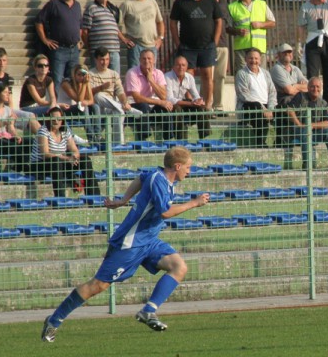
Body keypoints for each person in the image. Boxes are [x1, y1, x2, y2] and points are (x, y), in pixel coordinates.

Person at [40, 146, 211, 341]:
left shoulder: (158, 176)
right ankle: (54, 320)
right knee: (99, 285)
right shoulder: (160, 181)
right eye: (188, 167)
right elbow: (165, 212)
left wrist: (124, 200)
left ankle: (148, 310)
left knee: (179, 266)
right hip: (130, 242)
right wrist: (194, 203)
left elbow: (140, 178)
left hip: (149, 240)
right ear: (177, 166)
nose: (189, 171)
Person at [169, 0, 223, 110]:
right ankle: (189, 104)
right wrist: (177, 43)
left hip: (207, 46)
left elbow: (219, 21)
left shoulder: (210, 1)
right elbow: (173, 23)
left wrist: (215, 42)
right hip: (187, 47)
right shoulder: (180, 2)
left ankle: (208, 105)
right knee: (187, 75)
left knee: (207, 75)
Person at [29, 107, 100, 197]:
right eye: (53, 119)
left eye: (59, 119)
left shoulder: (65, 131)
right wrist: (66, 158)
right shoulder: (43, 131)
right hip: (40, 165)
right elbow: (45, 154)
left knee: (85, 160)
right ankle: (60, 197)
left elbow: (75, 150)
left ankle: (94, 196)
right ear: (48, 119)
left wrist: (74, 157)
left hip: (59, 163)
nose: (56, 121)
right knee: (56, 161)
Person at [35, 0, 83, 85]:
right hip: (59, 49)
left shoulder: (77, 5)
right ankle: (54, 101)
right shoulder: (54, 4)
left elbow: (80, 25)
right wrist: (45, 40)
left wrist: (79, 40)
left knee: (74, 80)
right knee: (57, 80)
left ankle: (72, 102)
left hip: (74, 50)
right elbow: (39, 21)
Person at [286, 76, 328, 167]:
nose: (315, 89)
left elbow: (326, 123)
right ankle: (308, 164)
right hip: (298, 131)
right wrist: (299, 124)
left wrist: (311, 125)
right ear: (308, 87)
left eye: (318, 87)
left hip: (315, 133)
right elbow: (289, 110)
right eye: (312, 86)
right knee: (306, 131)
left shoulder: (323, 103)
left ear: (321, 88)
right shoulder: (300, 96)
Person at [90, 46, 141, 144]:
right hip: (98, 106)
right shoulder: (91, 73)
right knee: (98, 95)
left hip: (111, 105)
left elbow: (120, 91)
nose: (105, 62)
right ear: (96, 59)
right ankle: (128, 109)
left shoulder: (114, 74)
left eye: (107, 59)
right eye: (102, 60)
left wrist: (124, 102)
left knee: (120, 111)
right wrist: (101, 87)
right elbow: (90, 93)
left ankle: (118, 144)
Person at [0, 83, 37, 172]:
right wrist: (3, 122)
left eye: (9, 92)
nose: (8, 95)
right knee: (14, 147)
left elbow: (11, 127)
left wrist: (15, 135)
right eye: (5, 92)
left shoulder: (8, 109)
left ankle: (19, 166)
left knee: (31, 141)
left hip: (6, 137)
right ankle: (25, 169)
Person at [227, 0, 276, 69]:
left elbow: (272, 22)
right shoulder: (231, 7)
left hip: (259, 47)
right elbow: (227, 28)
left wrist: (261, 25)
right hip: (241, 48)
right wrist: (237, 31)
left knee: (260, 74)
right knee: (242, 74)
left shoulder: (262, 4)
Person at [119, 0, 165, 70]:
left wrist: (160, 38)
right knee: (135, 73)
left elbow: (160, 22)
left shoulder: (152, 2)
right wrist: (124, 39)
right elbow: (114, 24)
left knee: (151, 73)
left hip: (152, 45)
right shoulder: (127, 4)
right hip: (136, 46)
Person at [125, 48, 171, 141]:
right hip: (132, 106)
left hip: (150, 105)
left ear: (154, 60)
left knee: (165, 108)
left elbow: (163, 96)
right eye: (144, 59)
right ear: (139, 60)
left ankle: (167, 139)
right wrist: (159, 102)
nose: (146, 61)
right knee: (144, 106)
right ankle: (145, 137)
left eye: (149, 58)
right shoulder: (132, 73)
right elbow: (137, 98)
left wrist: (151, 80)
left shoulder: (158, 73)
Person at [235, 48, 278, 147]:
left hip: (267, 107)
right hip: (250, 107)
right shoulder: (241, 74)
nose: (253, 61)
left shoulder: (266, 73)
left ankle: (280, 142)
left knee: (283, 110)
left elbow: (272, 92)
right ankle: (260, 143)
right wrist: (262, 108)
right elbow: (243, 95)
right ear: (245, 59)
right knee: (256, 106)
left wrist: (270, 109)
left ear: (260, 60)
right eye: (251, 58)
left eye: (256, 58)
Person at [203, 0, 233, 112]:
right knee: (208, 77)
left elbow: (227, 25)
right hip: (207, 46)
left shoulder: (224, 4)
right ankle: (206, 105)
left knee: (220, 76)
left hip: (222, 45)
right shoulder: (202, 3)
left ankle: (218, 106)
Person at [81, 0, 124, 73]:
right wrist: (90, 48)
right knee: (98, 78)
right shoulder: (91, 8)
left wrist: (124, 39)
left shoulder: (113, 9)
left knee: (115, 79)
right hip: (99, 52)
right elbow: (84, 32)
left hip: (114, 51)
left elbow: (115, 28)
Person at [165, 55, 208, 140]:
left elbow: (196, 95)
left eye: (183, 65)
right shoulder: (167, 77)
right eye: (178, 65)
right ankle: (180, 139)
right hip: (169, 105)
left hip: (183, 103)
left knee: (202, 108)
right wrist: (191, 103)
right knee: (177, 108)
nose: (181, 67)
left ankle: (204, 138)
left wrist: (199, 101)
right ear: (173, 66)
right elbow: (170, 99)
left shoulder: (189, 77)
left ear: (187, 67)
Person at [59, 64, 98, 137]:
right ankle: (91, 137)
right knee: (84, 107)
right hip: (65, 109)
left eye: (83, 75)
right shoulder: (66, 83)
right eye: (79, 74)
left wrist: (86, 102)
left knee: (95, 107)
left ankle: (97, 135)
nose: (81, 77)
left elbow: (91, 100)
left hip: (78, 108)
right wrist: (83, 84)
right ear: (74, 74)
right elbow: (79, 100)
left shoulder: (85, 82)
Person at [270, 44, 309, 109]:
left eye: (289, 52)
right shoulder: (277, 69)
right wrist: (300, 87)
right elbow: (289, 90)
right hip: (283, 100)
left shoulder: (296, 69)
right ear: (279, 55)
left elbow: (309, 87)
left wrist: (294, 86)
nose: (287, 54)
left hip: (297, 98)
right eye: (284, 52)